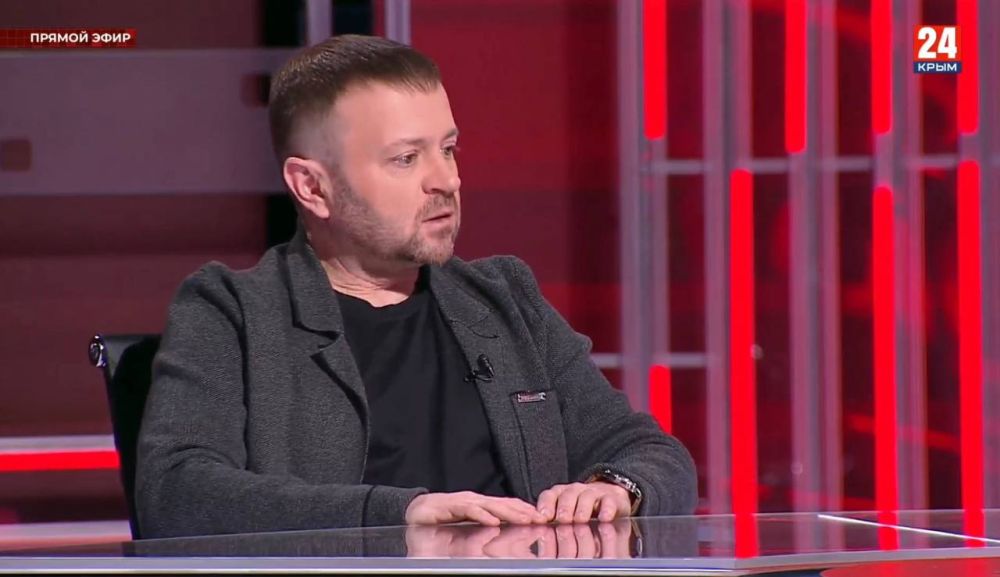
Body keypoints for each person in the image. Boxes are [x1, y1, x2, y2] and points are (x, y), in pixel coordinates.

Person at [135, 34, 696, 539]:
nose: (446, 179)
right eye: (406, 159)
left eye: (448, 149)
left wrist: (616, 487)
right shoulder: (231, 311)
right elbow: (177, 493)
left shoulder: (503, 297)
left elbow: (650, 451)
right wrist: (396, 515)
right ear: (312, 187)